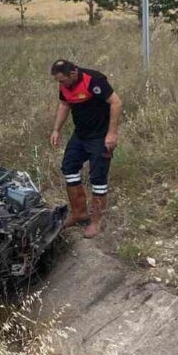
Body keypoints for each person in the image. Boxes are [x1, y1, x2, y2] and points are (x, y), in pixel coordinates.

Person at [49, 59, 123, 238]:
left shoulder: (93, 80)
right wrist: (56, 130)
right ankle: (79, 212)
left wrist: (111, 134)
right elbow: (64, 104)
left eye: (61, 80)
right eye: (58, 81)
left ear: (72, 74)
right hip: (80, 135)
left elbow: (116, 103)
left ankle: (96, 221)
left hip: (100, 136)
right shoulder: (66, 85)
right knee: (69, 167)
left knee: (97, 177)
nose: (60, 84)